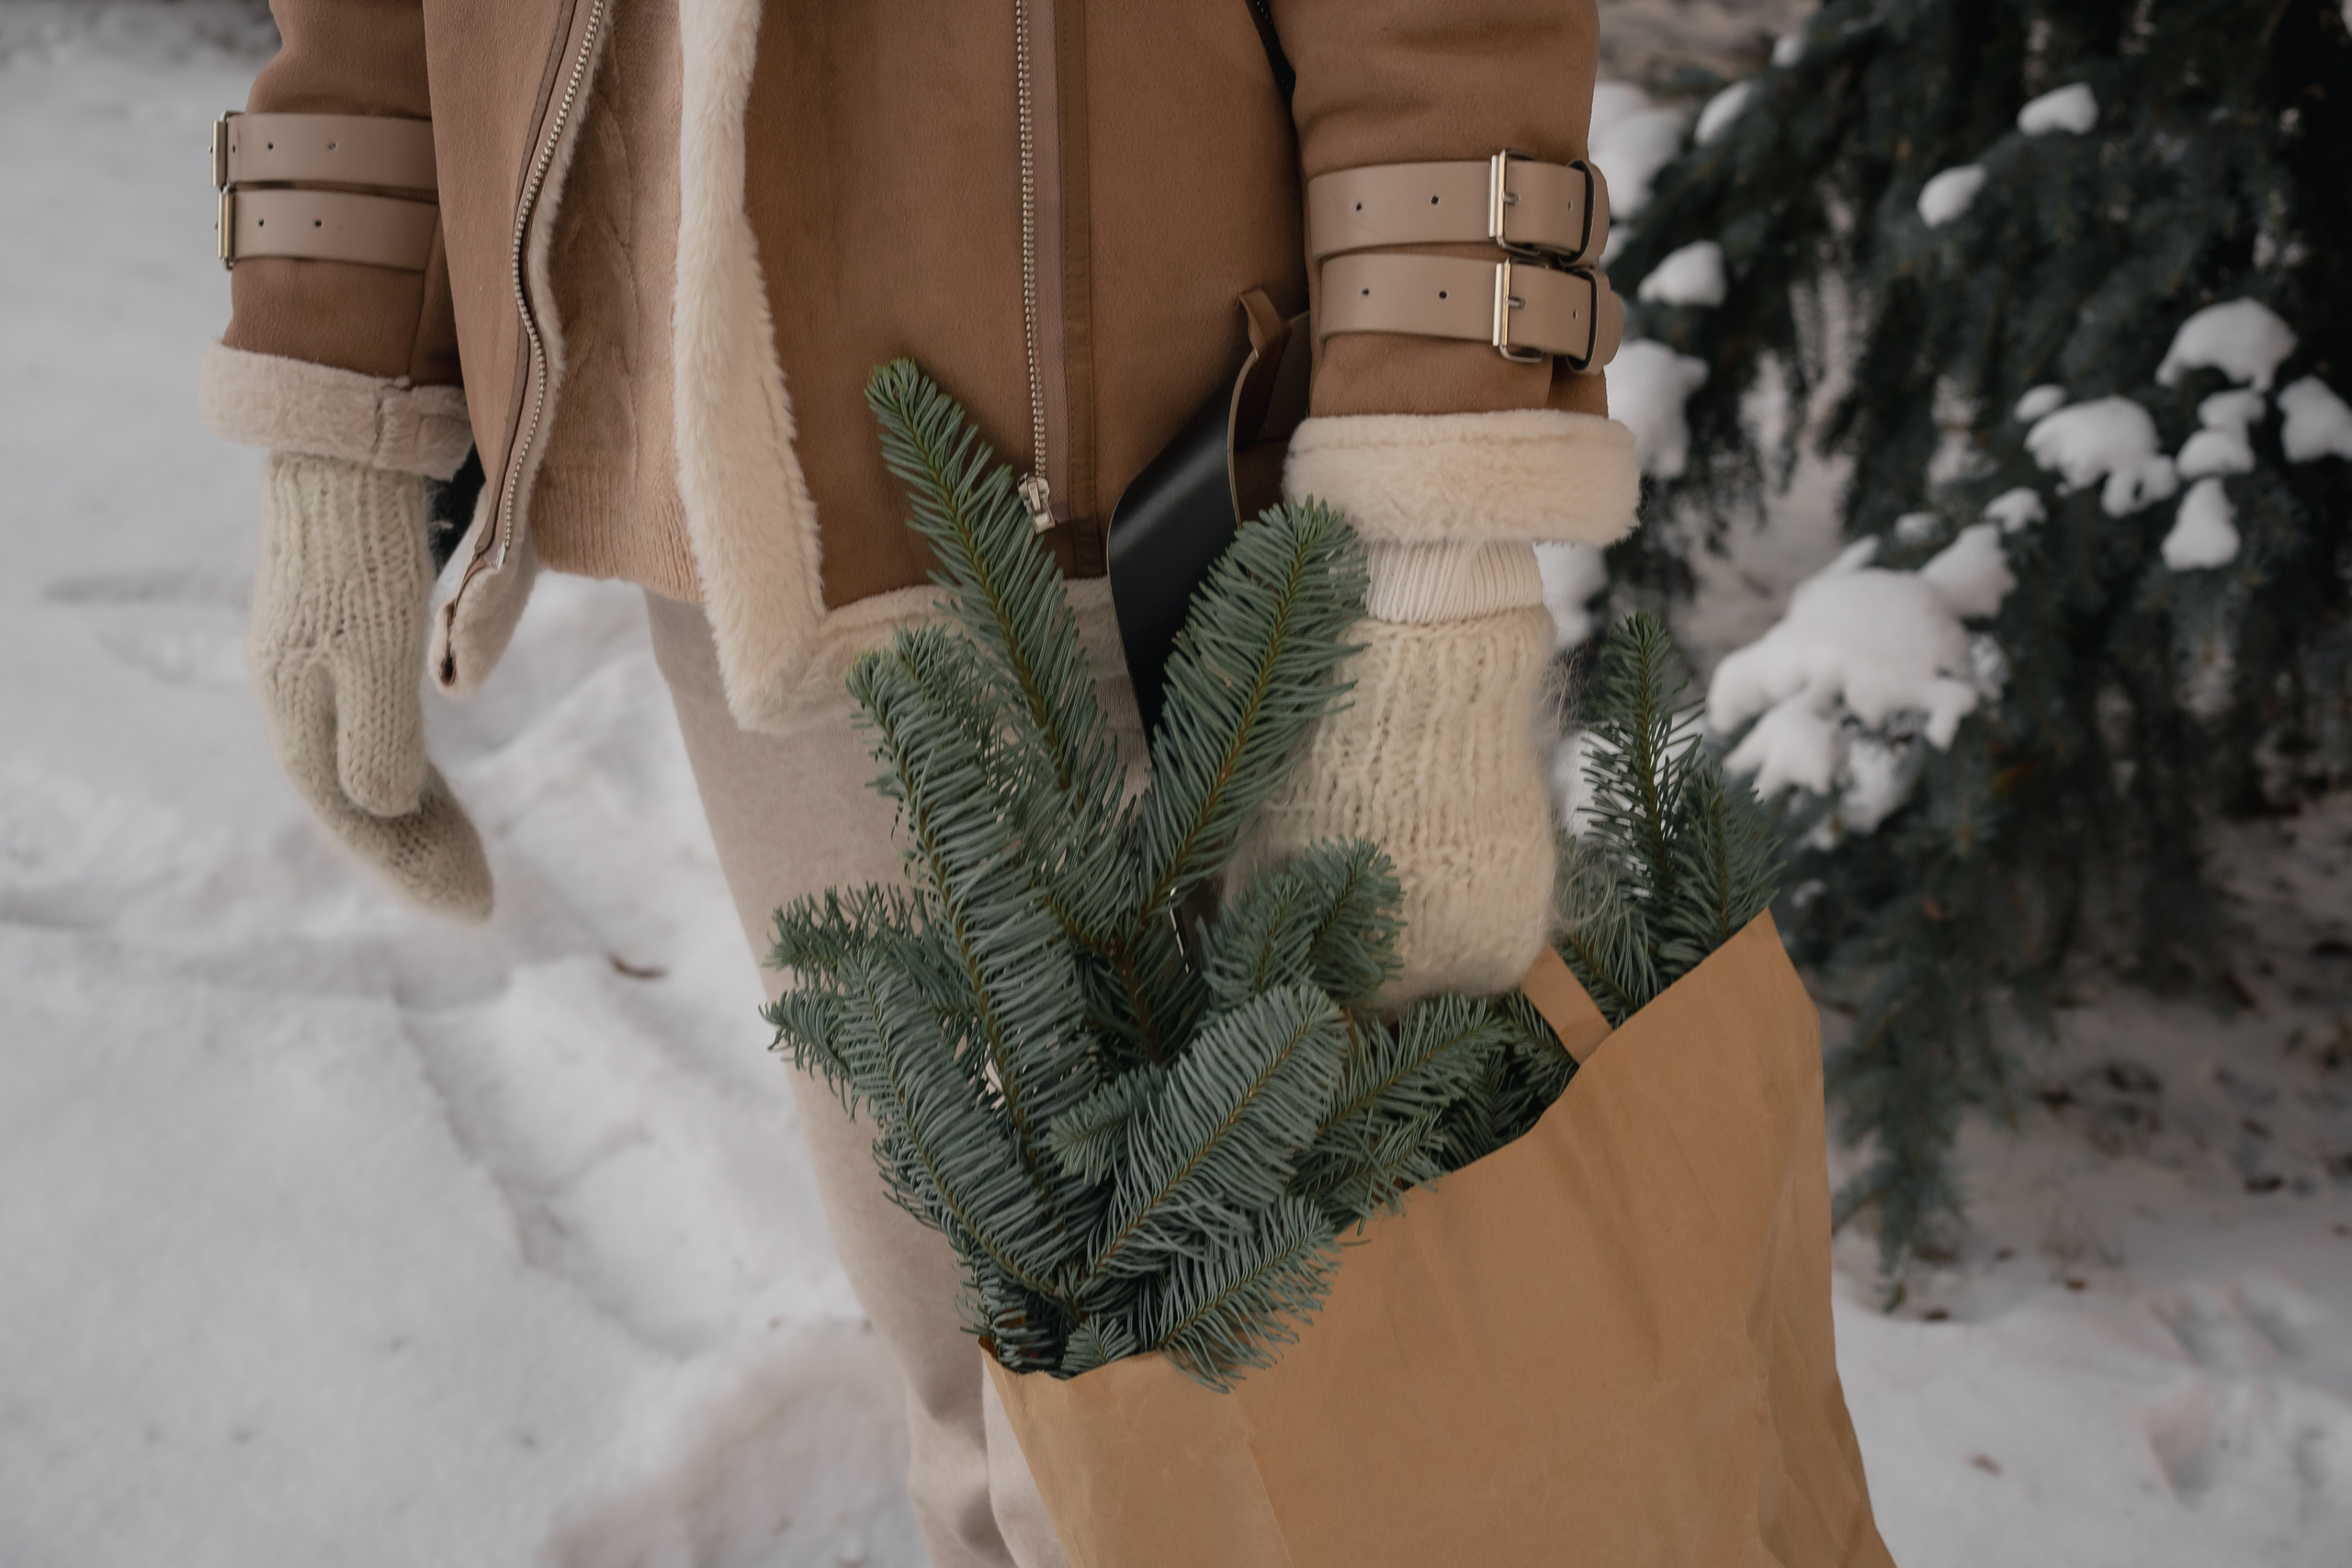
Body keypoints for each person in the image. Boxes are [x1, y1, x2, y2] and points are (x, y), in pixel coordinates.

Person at [201, 3, 1638, 1562]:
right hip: (733, 505)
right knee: (986, 1413)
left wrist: (1427, 540)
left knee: (1297, 1423)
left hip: (1157, 506)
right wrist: (337, 410)